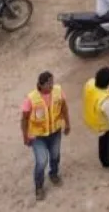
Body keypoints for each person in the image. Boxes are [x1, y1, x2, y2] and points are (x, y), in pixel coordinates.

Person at [21, 71, 69, 201]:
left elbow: (64, 108)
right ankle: (39, 187)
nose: (52, 85)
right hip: (38, 136)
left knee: (55, 156)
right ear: (40, 85)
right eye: (48, 83)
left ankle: (53, 174)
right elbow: (24, 119)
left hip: (55, 132)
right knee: (41, 161)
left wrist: (67, 123)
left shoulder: (58, 91)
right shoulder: (31, 99)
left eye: (52, 82)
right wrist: (25, 136)